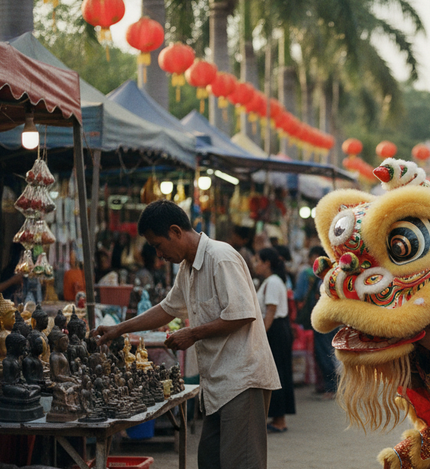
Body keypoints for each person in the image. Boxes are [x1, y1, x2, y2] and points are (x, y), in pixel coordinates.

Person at [93, 200, 280, 469]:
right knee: (210, 460)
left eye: (158, 245)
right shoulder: (187, 267)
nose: (158, 254)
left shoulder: (220, 257)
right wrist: (119, 329)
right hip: (218, 383)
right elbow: (168, 308)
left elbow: (243, 314)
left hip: (243, 379)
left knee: (241, 463)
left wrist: (192, 334)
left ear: (176, 231)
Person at [255, 247, 296, 432]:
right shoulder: (274, 281)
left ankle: (279, 420)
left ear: (267, 263)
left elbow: (271, 310)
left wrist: (261, 334)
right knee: (279, 372)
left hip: (275, 330)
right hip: (279, 329)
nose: (256, 265)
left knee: (276, 373)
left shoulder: (272, 282)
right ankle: (279, 418)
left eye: (258, 261)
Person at [294, 246, 337, 399]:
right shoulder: (328, 277)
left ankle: (331, 387)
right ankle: (328, 385)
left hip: (324, 321)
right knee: (323, 352)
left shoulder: (321, 279)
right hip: (326, 320)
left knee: (324, 352)